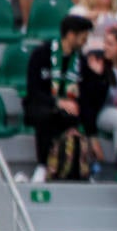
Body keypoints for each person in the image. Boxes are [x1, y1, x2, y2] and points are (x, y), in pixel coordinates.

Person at [23, 15, 105, 178]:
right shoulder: (41, 54)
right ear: (71, 35)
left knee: (76, 114)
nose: (85, 42)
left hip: (70, 112)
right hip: (42, 105)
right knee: (46, 114)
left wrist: (97, 77)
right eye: (83, 37)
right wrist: (58, 102)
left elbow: (90, 99)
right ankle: (42, 165)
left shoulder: (81, 61)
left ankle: (80, 168)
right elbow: (34, 90)